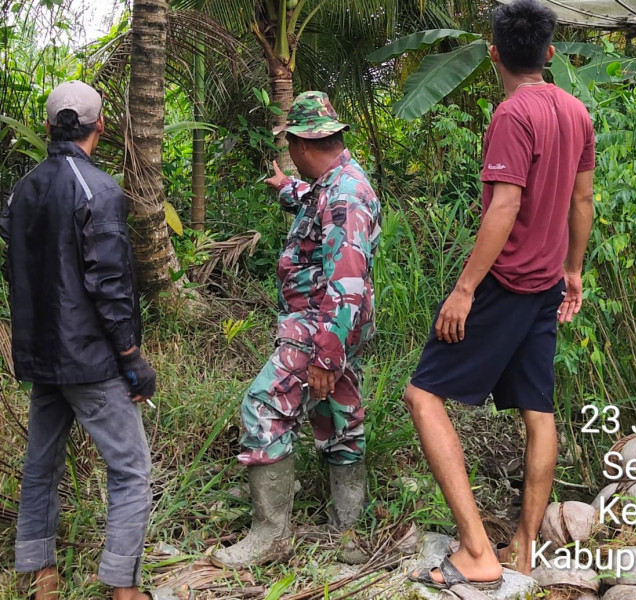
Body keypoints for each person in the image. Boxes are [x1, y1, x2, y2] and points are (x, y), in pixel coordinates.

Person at [404, 0, 595, 590]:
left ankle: (476, 550)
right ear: (550, 53)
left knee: (422, 395)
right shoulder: (576, 111)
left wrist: (464, 289)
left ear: (493, 53)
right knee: (539, 412)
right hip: (544, 284)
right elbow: (581, 202)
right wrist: (573, 269)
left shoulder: (513, 114)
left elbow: (506, 206)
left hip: (507, 283)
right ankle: (525, 544)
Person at [0, 80, 157, 600]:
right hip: (90, 360)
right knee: (131, 469)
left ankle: (38, 577)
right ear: (102, 127)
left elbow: (17, 269)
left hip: (41, 356)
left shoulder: (22, 190)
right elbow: (109, 284)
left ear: (47, 128)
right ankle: (122, 588)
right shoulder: (100, 189)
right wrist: (131, 355)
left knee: (41, 464)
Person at [211, 91, 381, 569]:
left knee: (263, 407)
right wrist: (287, 187)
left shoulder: (344, 195)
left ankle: (271, 534)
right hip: (338, 326)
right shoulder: (335, 183)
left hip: (320, 326)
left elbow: (347, 279)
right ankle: (348, 524)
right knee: (340, 416)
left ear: (301, 144)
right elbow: (315, 204)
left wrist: (326, 356)